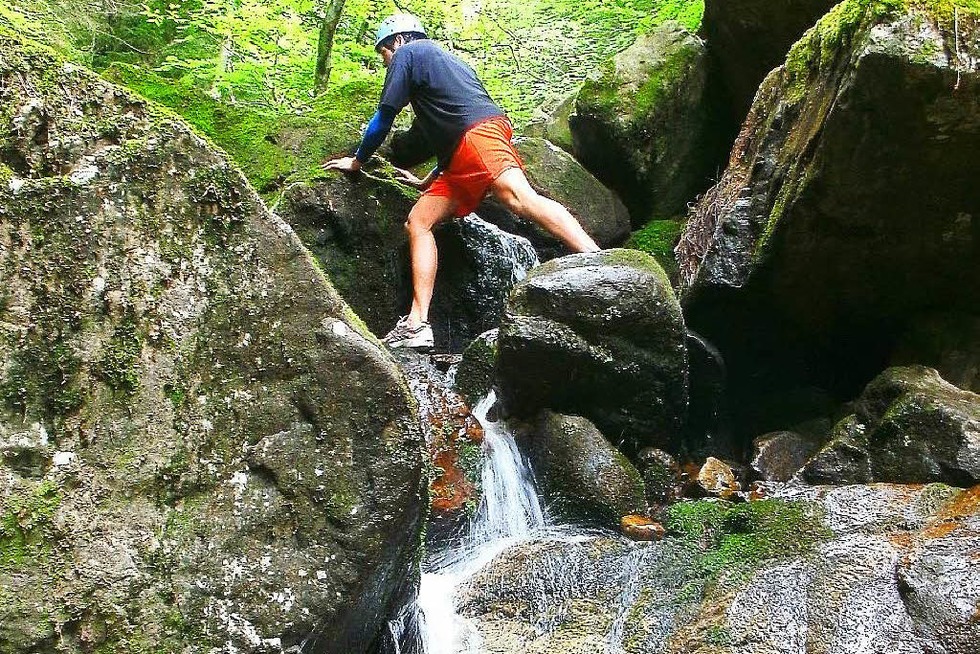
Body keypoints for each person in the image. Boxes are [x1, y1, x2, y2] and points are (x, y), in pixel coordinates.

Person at [324, 13, 600, 349]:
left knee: (518, 198)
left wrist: (357, 161)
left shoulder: (409, 54)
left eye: (383, 54)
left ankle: (595, 256)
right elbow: (441, 127)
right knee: (419, 222)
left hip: (477, 136)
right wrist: (429, 179)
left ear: (396, 40)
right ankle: (417, 325)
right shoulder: (444, 66)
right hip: (460, 155)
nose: (386, 63)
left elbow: (384, 117)